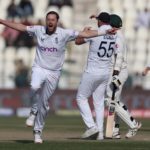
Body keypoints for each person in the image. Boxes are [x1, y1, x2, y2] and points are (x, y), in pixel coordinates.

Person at [0, 11, 114, 143]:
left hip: (54, 73)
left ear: (57, 21)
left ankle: (38, 132)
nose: (50, 22)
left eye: (53, 20)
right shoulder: (38, 30)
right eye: (48, 19)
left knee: (44, 103)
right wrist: (2, 21)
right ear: (45, 20)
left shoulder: (64, 33)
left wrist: (104, 32)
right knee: (34, 86)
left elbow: (85, 34)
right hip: (39, 68)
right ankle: (33, 111)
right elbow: (20, 26)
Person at [75, 12, 117, 140]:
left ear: (99, 21)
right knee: (98, 103)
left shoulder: (95, 33)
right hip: (105, 73)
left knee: (81, 98)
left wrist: (84, 31)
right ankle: (99, 133)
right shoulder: (114, 35)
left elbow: (77, 41)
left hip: (92, 72)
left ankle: (91, 126)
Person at [105, 14, 142, 139]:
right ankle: (115, 130)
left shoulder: (118, 38)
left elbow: (119, 57)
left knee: (111, 101)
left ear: (112, 26)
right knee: (114, 102)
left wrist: (115, 74)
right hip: (118, 72)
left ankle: (133, 124)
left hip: (118, 72)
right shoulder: (116, 36)